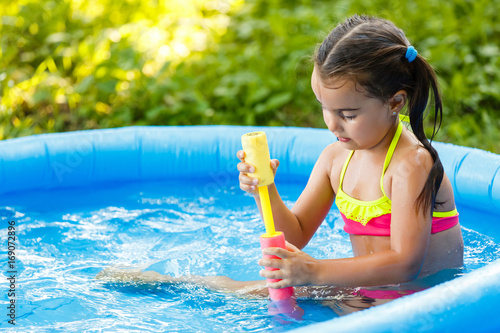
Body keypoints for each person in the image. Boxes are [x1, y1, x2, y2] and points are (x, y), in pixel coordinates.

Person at [97, 15, 464, 306]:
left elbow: (405, 263)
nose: (332, 124)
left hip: (423, 304)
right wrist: (265, 191)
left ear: (395, 103)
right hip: (360, 295)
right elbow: (295, 234)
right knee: (243, 292)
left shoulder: (411, 164)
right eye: (324, 108)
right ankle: (169, 286)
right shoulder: (337, 158)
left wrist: (315, 272)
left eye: (348, 114)